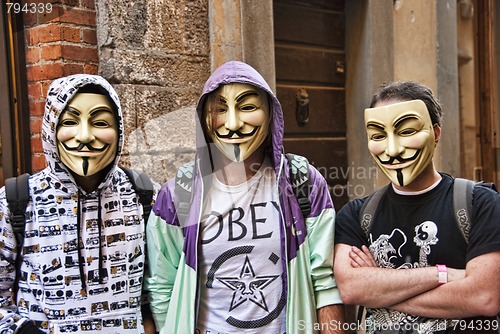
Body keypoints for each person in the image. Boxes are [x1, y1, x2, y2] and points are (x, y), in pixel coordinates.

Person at [145, 60, 345, 333]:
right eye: (219, 109)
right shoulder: (178, 194)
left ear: (270, 113)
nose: (234, 123)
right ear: (204, 118)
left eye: (248, 107)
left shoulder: (304, 183)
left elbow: (324, 281)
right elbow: (162, 285)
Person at [334, 81, 500, 333]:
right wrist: (443, 275)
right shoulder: (356, 215)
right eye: (378, 136)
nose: (393, 149)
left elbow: (484, 297)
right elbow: (352, 289)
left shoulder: (480, 204)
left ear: (436, 133)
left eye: (407, 131)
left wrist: (382, 293)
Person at [0, 74, 158, 333]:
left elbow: (159, 286)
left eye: (100, 122)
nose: (85, 136)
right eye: (71, 121)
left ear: (118, 128)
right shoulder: (15, 201)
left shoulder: (144, 195)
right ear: (52, 127)